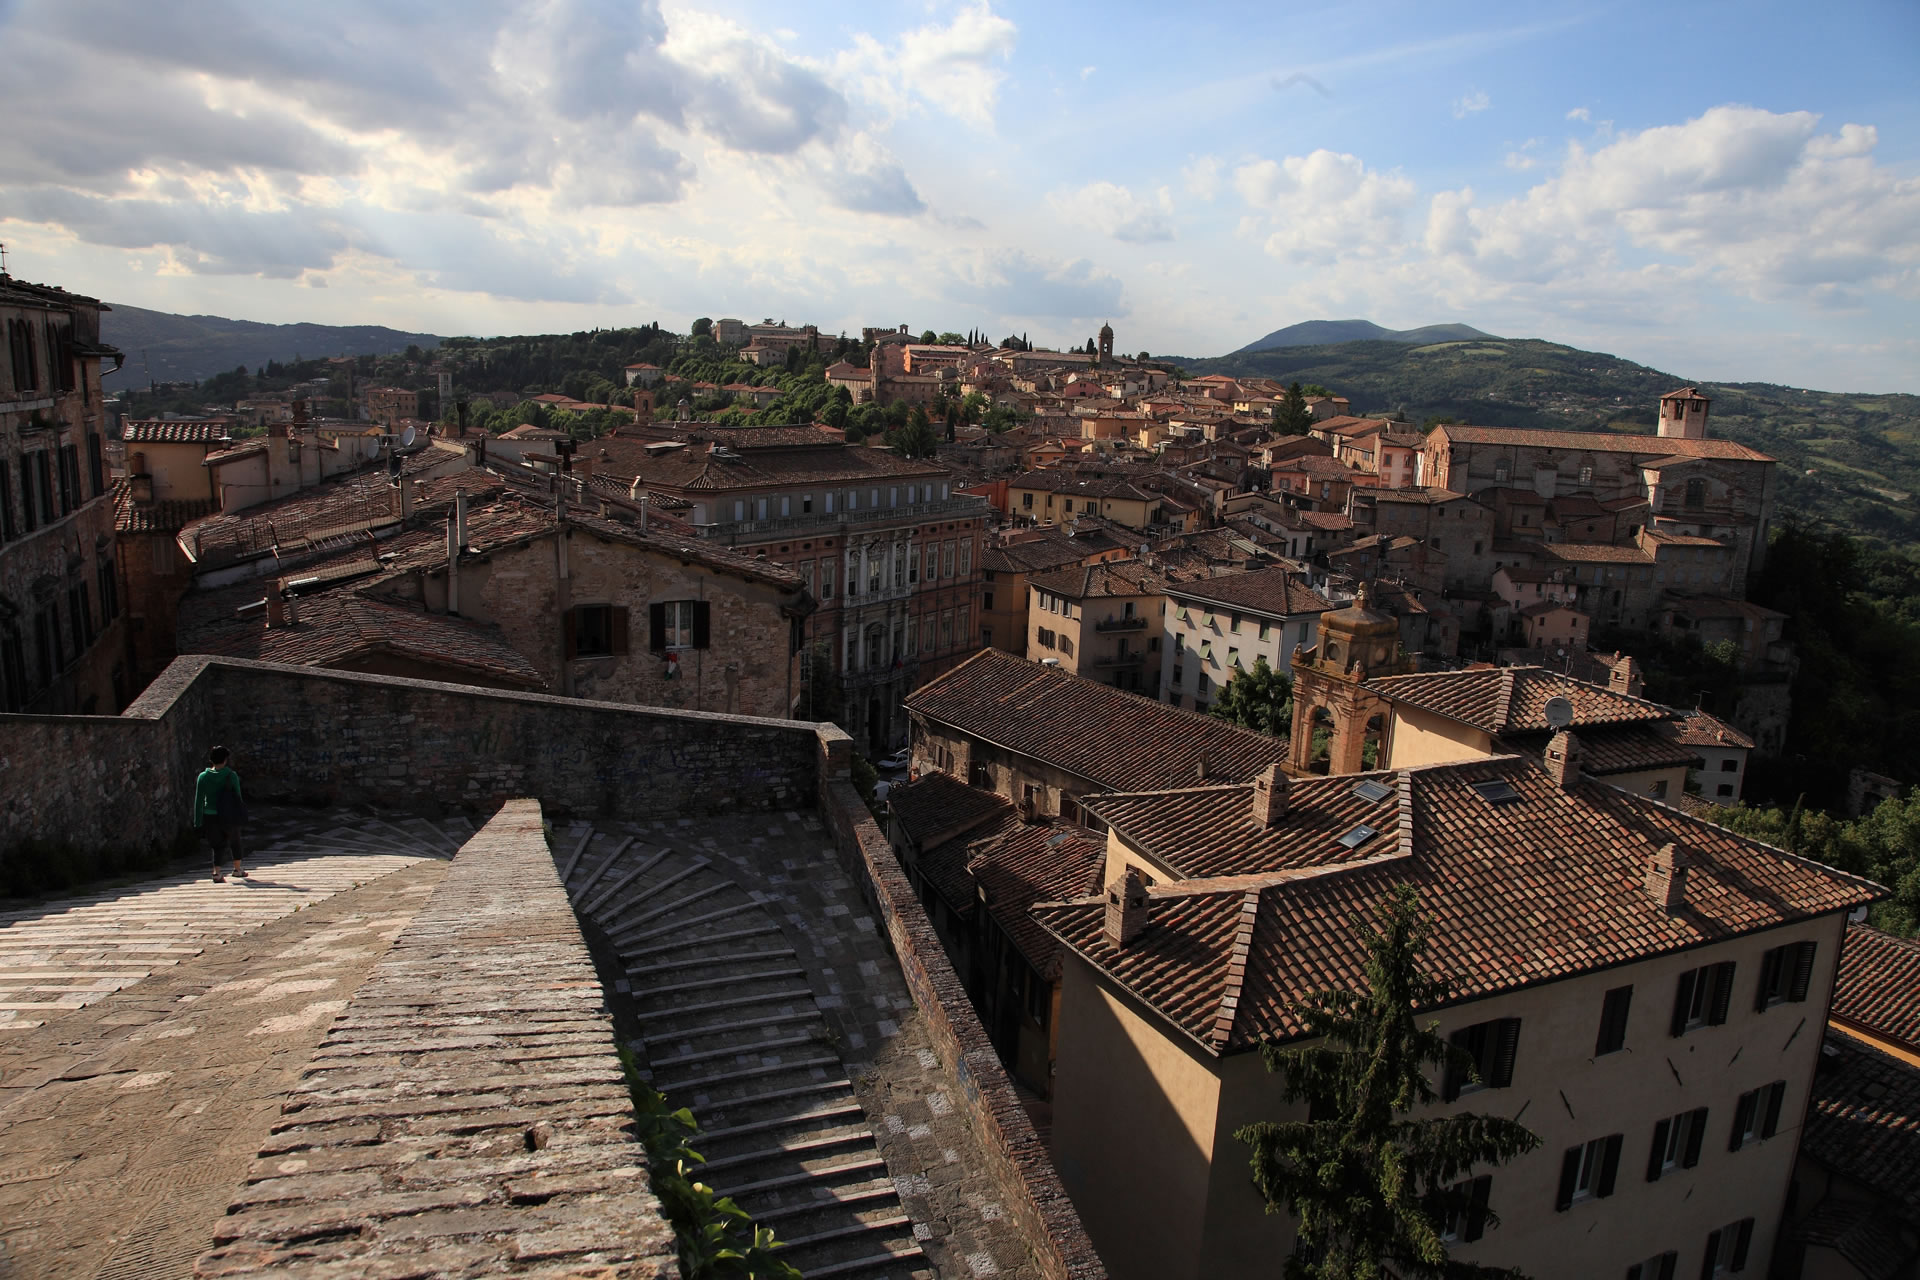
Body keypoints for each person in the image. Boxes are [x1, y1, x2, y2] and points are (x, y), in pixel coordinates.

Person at [193, 745, 249, 883]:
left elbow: (199, 800)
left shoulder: (203, 777)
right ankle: (237, 870)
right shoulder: (231, 776)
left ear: (211, 760)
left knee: (217, 845)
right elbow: (238, 797)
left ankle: (217, 873)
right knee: (235, 841)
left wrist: (197, 821)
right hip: (229, 814)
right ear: (225, 760)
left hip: (210, 815)